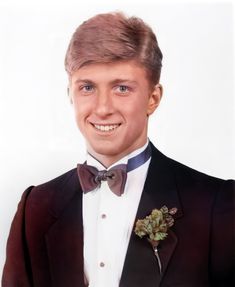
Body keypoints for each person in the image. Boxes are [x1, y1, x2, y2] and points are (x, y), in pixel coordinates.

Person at [2, 11, 234, 287]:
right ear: (70, 95)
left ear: (153, 98)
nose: (102, 108)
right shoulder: (36, 208)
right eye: (87, 87)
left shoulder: (216, 204)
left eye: (122, 88)